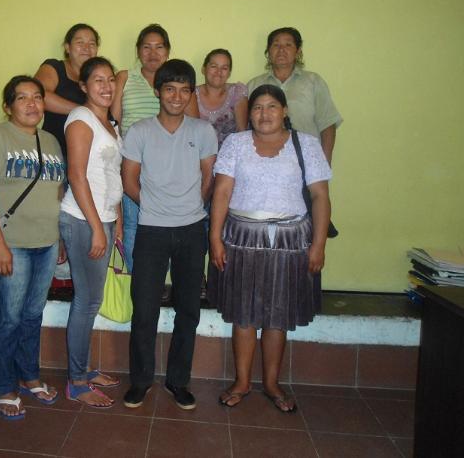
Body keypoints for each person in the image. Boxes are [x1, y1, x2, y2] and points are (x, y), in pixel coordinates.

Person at [208, 84, 331, 411]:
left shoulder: (307, 144)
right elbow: (222, 192)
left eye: (272, 106)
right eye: (258, 107)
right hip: (242, 239)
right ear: (250, 113)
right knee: (243, 315)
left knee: (278, 315)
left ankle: (272, 383)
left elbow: (320, 196)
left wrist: (318, 245)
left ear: (285, 111)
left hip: (290, 242)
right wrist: (215, 238)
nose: (264, 113)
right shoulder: (235, 143)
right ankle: (242, 382)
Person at [121, 59, 217, 410]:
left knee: (188, 310)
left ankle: (178, 381)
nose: (177, 96)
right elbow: (129, 179)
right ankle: (141, 381)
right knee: (144, 310)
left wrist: (191, 207)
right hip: (151, 230)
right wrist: (153, 207)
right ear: (158, 91)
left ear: (191, 94)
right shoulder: (140, 131)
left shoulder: (203, 131)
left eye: (184, 90)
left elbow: (208, 177)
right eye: (170, 89)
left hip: (192, 231)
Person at [0, 75, 64, 420]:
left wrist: (59, 238)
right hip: (9, 245)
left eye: (37, 96)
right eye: (22, 98)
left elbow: (57, 192)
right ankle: (3, 386)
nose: (32, 103)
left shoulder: (50, 141)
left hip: (46, 243)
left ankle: (29, 375)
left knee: (32, 314)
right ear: (8, 106)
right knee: (7, 317)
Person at [60, 57, 123, 408]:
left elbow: (111, 175)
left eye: (110, 79)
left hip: (103, 219)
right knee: (86, 302)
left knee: (91, 300)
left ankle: (82, 369)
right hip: (84, 221)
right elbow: (77, 175)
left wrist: (115, 221)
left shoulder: (109, 124)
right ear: (84, 86)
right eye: (98, 80)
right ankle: (77, 382)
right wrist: (98, 228)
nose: (106, 86)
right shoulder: (80, 119)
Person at [111, 24, 198, 272]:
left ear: (167, 51)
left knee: (169, 224)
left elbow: (194, 124)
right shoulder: (125, 77)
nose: (152, 53)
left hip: (171, 168)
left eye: (159, 47)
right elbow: (113, 122)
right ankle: (137, 279)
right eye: (146, 47)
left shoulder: (178, 80)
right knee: (133, 223)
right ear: (138, 50)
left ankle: (159, 278)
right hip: (133, 165)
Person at [247, 27, 342, 164]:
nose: (281, 50)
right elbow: (246, 128)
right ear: (268, 52)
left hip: (306, 161)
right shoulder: (254, 85)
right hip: (264, 163)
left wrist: (324, 164)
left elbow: (327, 124)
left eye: (288, 45)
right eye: (276, 45)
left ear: (298, 51)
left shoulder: (313, 82)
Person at [35, 23, 100, 159]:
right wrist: (83, 111)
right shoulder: (55, 67)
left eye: (92, 44)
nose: (86, 48)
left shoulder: (99, 75)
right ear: (67, 47)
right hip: (55, 153)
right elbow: (39, 96)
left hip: (92, 155)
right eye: (80, 42)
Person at [196, 49, 248, 148]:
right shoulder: (192, 94)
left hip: (231, 154)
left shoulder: (237, 92)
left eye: (224, 68)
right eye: (213, 66)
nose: (218, 72)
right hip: (199, 154)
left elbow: (242, 133)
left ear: (229, 73)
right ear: (203, 69)